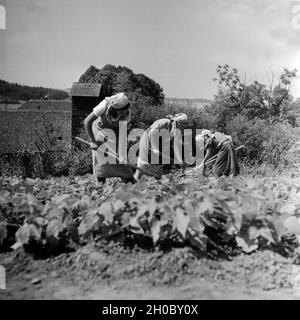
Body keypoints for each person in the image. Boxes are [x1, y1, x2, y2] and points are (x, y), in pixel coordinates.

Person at [84, 92, 135, 184]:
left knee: (122, 163)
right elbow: (87, 122)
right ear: (114, 109)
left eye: (125, 111)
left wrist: (122, 154)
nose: (123, 113)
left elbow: (122, 135)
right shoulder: (104, 105)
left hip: (116, 132)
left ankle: (129, 182)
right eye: (121, 112)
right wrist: (92, 141)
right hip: (100, 129)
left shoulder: (127, 114)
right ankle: (100, 185)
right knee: (101, 161)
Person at [134, 113, 188, 180]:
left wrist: (179, 161)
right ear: (178, 122)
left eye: (185, 126)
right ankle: (135, 181)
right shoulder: (165, 122)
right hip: (148, 142)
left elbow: (175, 146)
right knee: (142, 169)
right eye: (183, 125)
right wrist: (155, 148)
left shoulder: (177, 131)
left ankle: (154, 185)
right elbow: (152, 132)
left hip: (159, 147)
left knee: (157, 172)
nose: (183, 128)